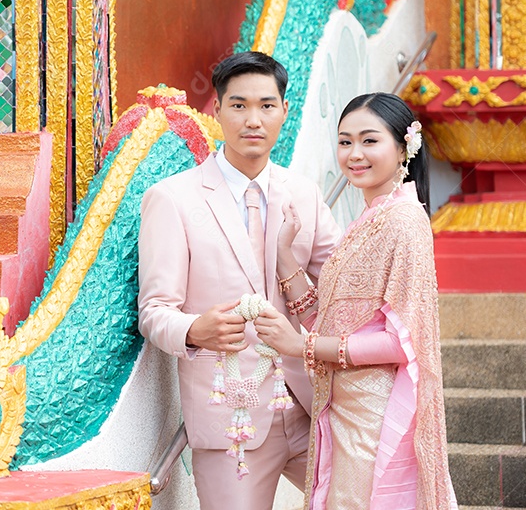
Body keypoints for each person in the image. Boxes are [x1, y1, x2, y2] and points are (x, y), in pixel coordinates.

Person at [138, 52, 342, 510]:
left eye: (267, 106)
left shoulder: (303, 194)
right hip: (230, 417)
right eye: (239, 105)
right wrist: (194, 330)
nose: (254, 119)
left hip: (311, 406)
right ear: (216, 109)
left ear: (285, 111)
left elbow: (345, 289)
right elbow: (154, 311)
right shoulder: (172, 198)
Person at [254, 92, 457, 510]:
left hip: (375, 416)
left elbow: (401, 342)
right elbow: (328, 319)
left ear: (403, 147)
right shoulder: (370, 217)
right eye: (345, 142)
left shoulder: (403, 221)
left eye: (369, 141)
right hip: (344, 409)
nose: (355, 154)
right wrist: (284, 255)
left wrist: (299, 348)